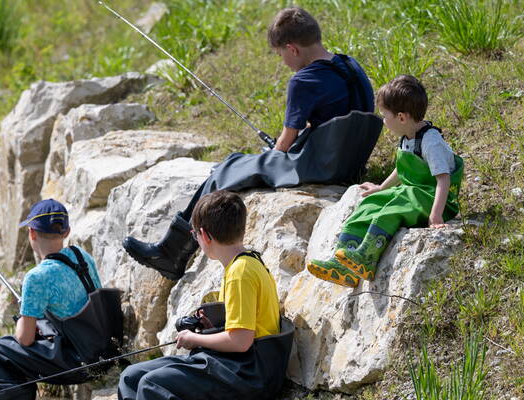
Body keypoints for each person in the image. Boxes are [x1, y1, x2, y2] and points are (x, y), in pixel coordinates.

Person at [123, 6, 379, 281]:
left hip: (324, 165)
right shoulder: (349, 65)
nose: (283, 61)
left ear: (292, 48)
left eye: (280, 54)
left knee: (227, 168)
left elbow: (284, 143)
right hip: (350, 160)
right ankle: (174, 247)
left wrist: (273, 152)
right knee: (237, 163)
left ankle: (173, 252)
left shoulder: (303, 80)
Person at [118, 191, 294, 400]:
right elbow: (240, 329)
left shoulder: (240, 274)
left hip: (249, 377)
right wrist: (212, 330)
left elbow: (241, 341)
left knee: (153, 386)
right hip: (238, 367)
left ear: (203, 236)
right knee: (131, 378)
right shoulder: (244, 263)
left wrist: (195, 338)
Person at [307, 75, 464, 287]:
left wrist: (436, 215)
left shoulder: (431, 142)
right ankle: (342, 263)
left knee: (390, 210)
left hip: (433, 198)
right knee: (369, 204)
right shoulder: (408, 136)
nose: (383, 120)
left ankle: (367, 258)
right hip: (413, 193)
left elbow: (443, 179)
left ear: (401, 117)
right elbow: (402, 168)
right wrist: (381, 188)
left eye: (384, 115)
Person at [0, 199, 121, 400]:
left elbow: (24, 339)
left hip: (81, 364)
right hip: (104, 351)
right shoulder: (82, 256)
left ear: (32, 234)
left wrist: (21, 323)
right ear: (67, 232)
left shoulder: (36, 277)